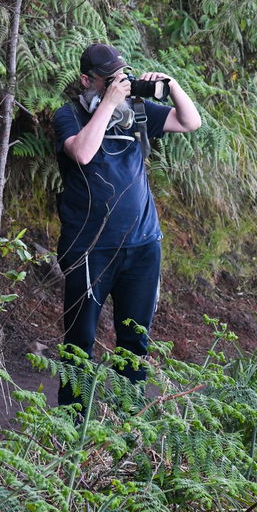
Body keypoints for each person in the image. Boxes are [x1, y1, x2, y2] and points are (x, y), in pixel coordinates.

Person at [52, 43, 202, 408]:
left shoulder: (135, 111)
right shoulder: (68, 115)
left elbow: (189, 122)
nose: (119, 85)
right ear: (87, 80)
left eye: (123, 76)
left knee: (134, 342)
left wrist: (172, 84)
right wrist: (107, 102)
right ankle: (72, 430)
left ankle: (126, 427)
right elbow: (83, 153)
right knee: (79, 342)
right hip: (90, 247)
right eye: (109, 80)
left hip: (142, 245)